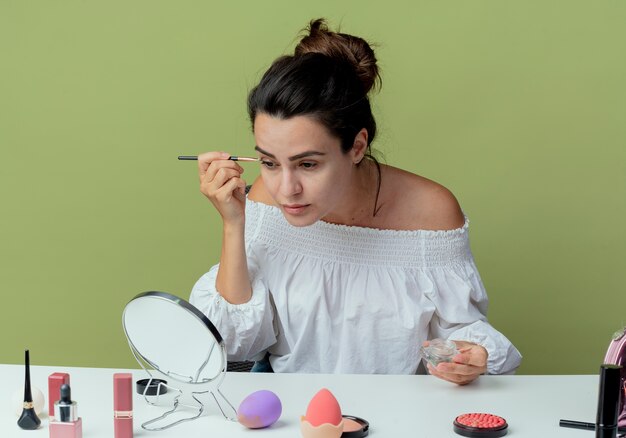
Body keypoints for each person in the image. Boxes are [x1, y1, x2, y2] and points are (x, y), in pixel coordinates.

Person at [189, 19, 522, 384]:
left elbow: (461, 330)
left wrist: (468, 358)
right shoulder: (266, 200)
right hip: (290, 413)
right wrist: (234, 223)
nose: (287, 188)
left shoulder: (432, 211)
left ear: (357, 146)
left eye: (308, 164)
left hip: (402, 414)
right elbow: (232, 343)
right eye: (269, 162)